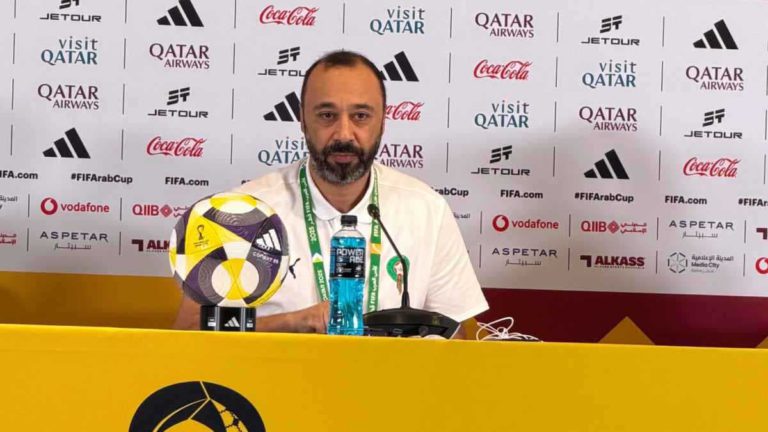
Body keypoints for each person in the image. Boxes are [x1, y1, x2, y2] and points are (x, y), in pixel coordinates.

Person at [173, 50, 488, 337]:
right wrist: (294, 322)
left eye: (360, 116)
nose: (344, 134)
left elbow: (455, 334)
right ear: (302, 120)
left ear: (383, 122)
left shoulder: (426, 208)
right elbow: (190, 330)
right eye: (327, 115)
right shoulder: (241, 214)